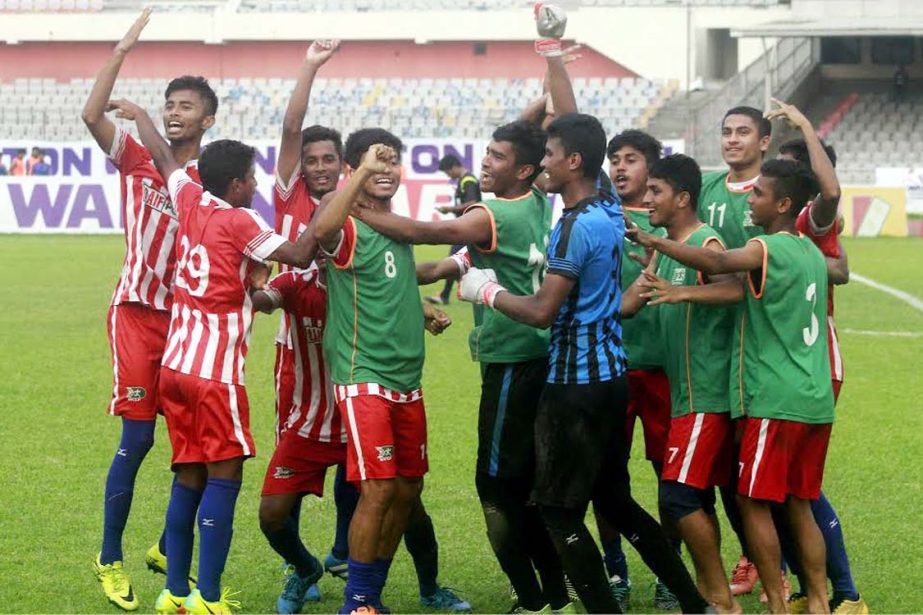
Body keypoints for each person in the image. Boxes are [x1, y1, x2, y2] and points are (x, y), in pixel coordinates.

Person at [352, 22, 583, 608]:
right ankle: (554, 588)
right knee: (526, 480)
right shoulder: (536, 198)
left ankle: (537, 596)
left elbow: (420, 231)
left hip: (511, 358)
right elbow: (550, 126)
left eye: (499, 156)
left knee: (495, 488)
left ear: (525, 169)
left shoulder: (488, 215)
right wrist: (550, 67)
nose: (487, 160)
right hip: (543, 355)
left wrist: (351, 202)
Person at [459, 112, 710, 615]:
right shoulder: (610, 211)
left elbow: (541, 311)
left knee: (557, 512)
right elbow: (584, 137)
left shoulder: (575, 226)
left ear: (573, 162)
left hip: (574, 386)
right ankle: (694, 603)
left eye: (550, 156)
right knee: (616, 501)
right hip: (612, 378)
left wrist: (487, 290)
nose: (543, 164)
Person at [109, 96, 324, 614]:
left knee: (188, 478)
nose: (255, 183)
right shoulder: (243, 220)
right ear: (235, 186)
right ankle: (208, 597)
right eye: (251, 177)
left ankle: (175, 594)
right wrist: (344, 198)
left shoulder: (188, 196)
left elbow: (163, 157)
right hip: (215, 376)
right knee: (224, 482)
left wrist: (141, 115)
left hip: (176, 368)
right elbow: (298, 254)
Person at [628, 158, 835, 615]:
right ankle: (819, 601)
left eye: (758, 194)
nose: (750, 200)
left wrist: (654, 242)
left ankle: (764, 604)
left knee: (747, 500)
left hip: (772, 396)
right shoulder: (811, 254)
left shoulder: (766, 247)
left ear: (783, 204)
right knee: (797, 504)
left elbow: (721, 265)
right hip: (814, 396)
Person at [82, 9, 216, 611]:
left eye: (186, 105)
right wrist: (121, 49)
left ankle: (167, 546)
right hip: (138, 314)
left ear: (207, 119)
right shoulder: (136, 157)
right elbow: (90, 115)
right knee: (137, 438)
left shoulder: (215, 178)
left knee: (192, 446)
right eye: (170, 103)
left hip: (189, 323)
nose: (173, 110)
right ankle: (109, 557)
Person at [252, 263, 455, 614]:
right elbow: (267, 299)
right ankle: (305, 569)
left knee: (407, 506)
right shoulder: (298, 284)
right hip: (310, 423)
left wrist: (425, 311)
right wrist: (255, 287)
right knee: (271, 515)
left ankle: (430, 588)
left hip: (363, 416)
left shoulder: (369, 278)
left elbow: (402, 284)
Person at [313, 130, 429, 614]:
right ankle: (357, 602)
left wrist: (424, 311)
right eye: (374, 162)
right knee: (378, 487)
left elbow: (386, 282)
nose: (386, 170)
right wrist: (357, 172)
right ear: (353, 170)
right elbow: (320, 231)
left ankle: (371, 595)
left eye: (392, 161)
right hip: (365, 375)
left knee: (407, 488)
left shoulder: (392, 225)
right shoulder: (349, 223)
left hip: (406, 380)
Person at [621, 154, 741, 614]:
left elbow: (734, 288)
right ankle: (721, 592)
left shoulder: (705, 240)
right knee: (696, 495)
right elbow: (631, 305)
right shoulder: (670, 247)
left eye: (656, 192)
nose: (647, 199)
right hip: (685, 394)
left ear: (683, 198)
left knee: (677, 496)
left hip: (704, 392)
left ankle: (717, 599)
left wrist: (683, 291)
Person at [769, 99, 868, 615]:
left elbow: (840, 268)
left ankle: (844, 591)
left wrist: (804, 125)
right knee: (782, 487)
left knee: (798, 488)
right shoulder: (779, 220)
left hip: (809, 360)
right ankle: (800, 584)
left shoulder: (811, 218)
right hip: (779, 359)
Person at [599, 129, 678, 610]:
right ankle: (615, 570)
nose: (621, 167)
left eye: (631, 159)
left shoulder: (674, 223)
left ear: (653, 167)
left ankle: (669, 569)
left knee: (669, 477)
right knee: (607, 476)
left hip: (666, 370)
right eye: (614, 159)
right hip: (608, 367)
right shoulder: (599, 217)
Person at [698, 105, 773, 597]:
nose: (732, 140)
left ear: (764, 141)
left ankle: (768, 564)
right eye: (726, 132)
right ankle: (745, 561)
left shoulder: (774, 196)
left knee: (759, 477)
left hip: (757, 347)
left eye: (743, 132)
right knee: (719, 471)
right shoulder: (706, 189)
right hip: (707, 346)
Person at [426, 154, 481, 305]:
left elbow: (472, 202)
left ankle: (448, 294)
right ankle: (455, 291)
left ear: (453, 167)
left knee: (454, 260)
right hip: (468, 226)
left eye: (447, 172)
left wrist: (451, 208)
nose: (448, 175)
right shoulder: (464, 180)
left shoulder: (468, 180)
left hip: (468, 227)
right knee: (461, 261)